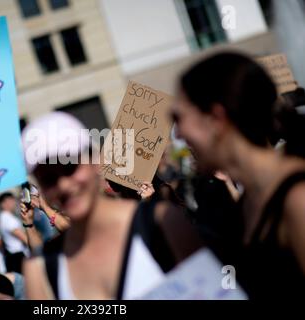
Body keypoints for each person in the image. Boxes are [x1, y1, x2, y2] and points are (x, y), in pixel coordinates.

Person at [21, 112, 201, 299]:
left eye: (70, 167)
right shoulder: (39, 269)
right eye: (49, 179)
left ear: (96, 161)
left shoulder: (163, 222)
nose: (64, 185)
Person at [173, 52, 305, 299]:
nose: (178, 135)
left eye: (178, 118)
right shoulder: (250, 201)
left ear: (216, 118)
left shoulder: (298, 198)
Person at [0, 193, 29, 273]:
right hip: (18, 255)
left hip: (15, 255)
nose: (14, 202)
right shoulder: (7, 218)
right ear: (3, 204)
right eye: (11, 200)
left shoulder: (4, 217)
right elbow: (23, 237)